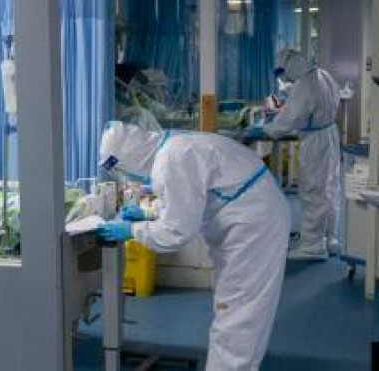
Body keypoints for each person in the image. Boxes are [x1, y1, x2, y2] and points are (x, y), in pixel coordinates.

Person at [97, 121, 290, 371]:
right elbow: (190, 198)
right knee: (236, 307)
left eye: (122, 170)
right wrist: (149, 214)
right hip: (252, 215)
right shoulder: (173, 145)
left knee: (237, 312)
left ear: (130, 157)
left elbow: (176, 233)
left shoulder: (172, 159)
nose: (128, 177)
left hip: (253, 226)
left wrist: (132, 230)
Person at [247, 48, 341, 260]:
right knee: (329, 188)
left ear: (289, 66)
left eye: (283, 72)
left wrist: (265, 130)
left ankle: (312, 245)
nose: (284, 77)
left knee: (313, 190)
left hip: (315, 141)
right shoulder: (323, 75)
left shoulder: (305, 84)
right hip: (330, 134)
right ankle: (329, 238)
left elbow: (289, 120)